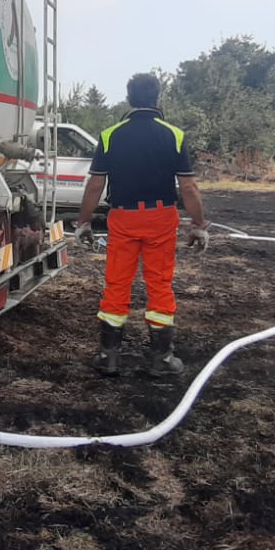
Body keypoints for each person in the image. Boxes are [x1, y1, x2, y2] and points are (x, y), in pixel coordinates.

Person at [75, 73, 209, 378]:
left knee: (116, 283)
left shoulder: (110, 135)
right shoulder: (174, 135)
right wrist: (199, 224)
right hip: (161, 218)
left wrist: (83, 221)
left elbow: (95, 185)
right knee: (159, 284)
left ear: (129, 97)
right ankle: (161, 358)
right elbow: (189, 188)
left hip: (122, 218)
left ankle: (108, 356)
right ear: (156, 97)